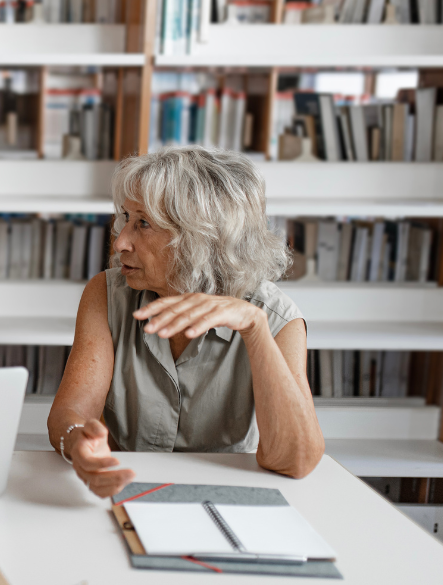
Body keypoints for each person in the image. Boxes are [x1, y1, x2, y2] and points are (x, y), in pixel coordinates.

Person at [47, 147, 324, 498]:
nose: (120, 242)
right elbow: (70, 413)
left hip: (230, 497)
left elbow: (297, 461)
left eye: (143, 223)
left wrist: (255, 331)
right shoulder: (106, 293)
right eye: (125, 218)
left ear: (200, 238)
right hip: (128, 490)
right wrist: (77, 444)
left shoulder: (276, 317)